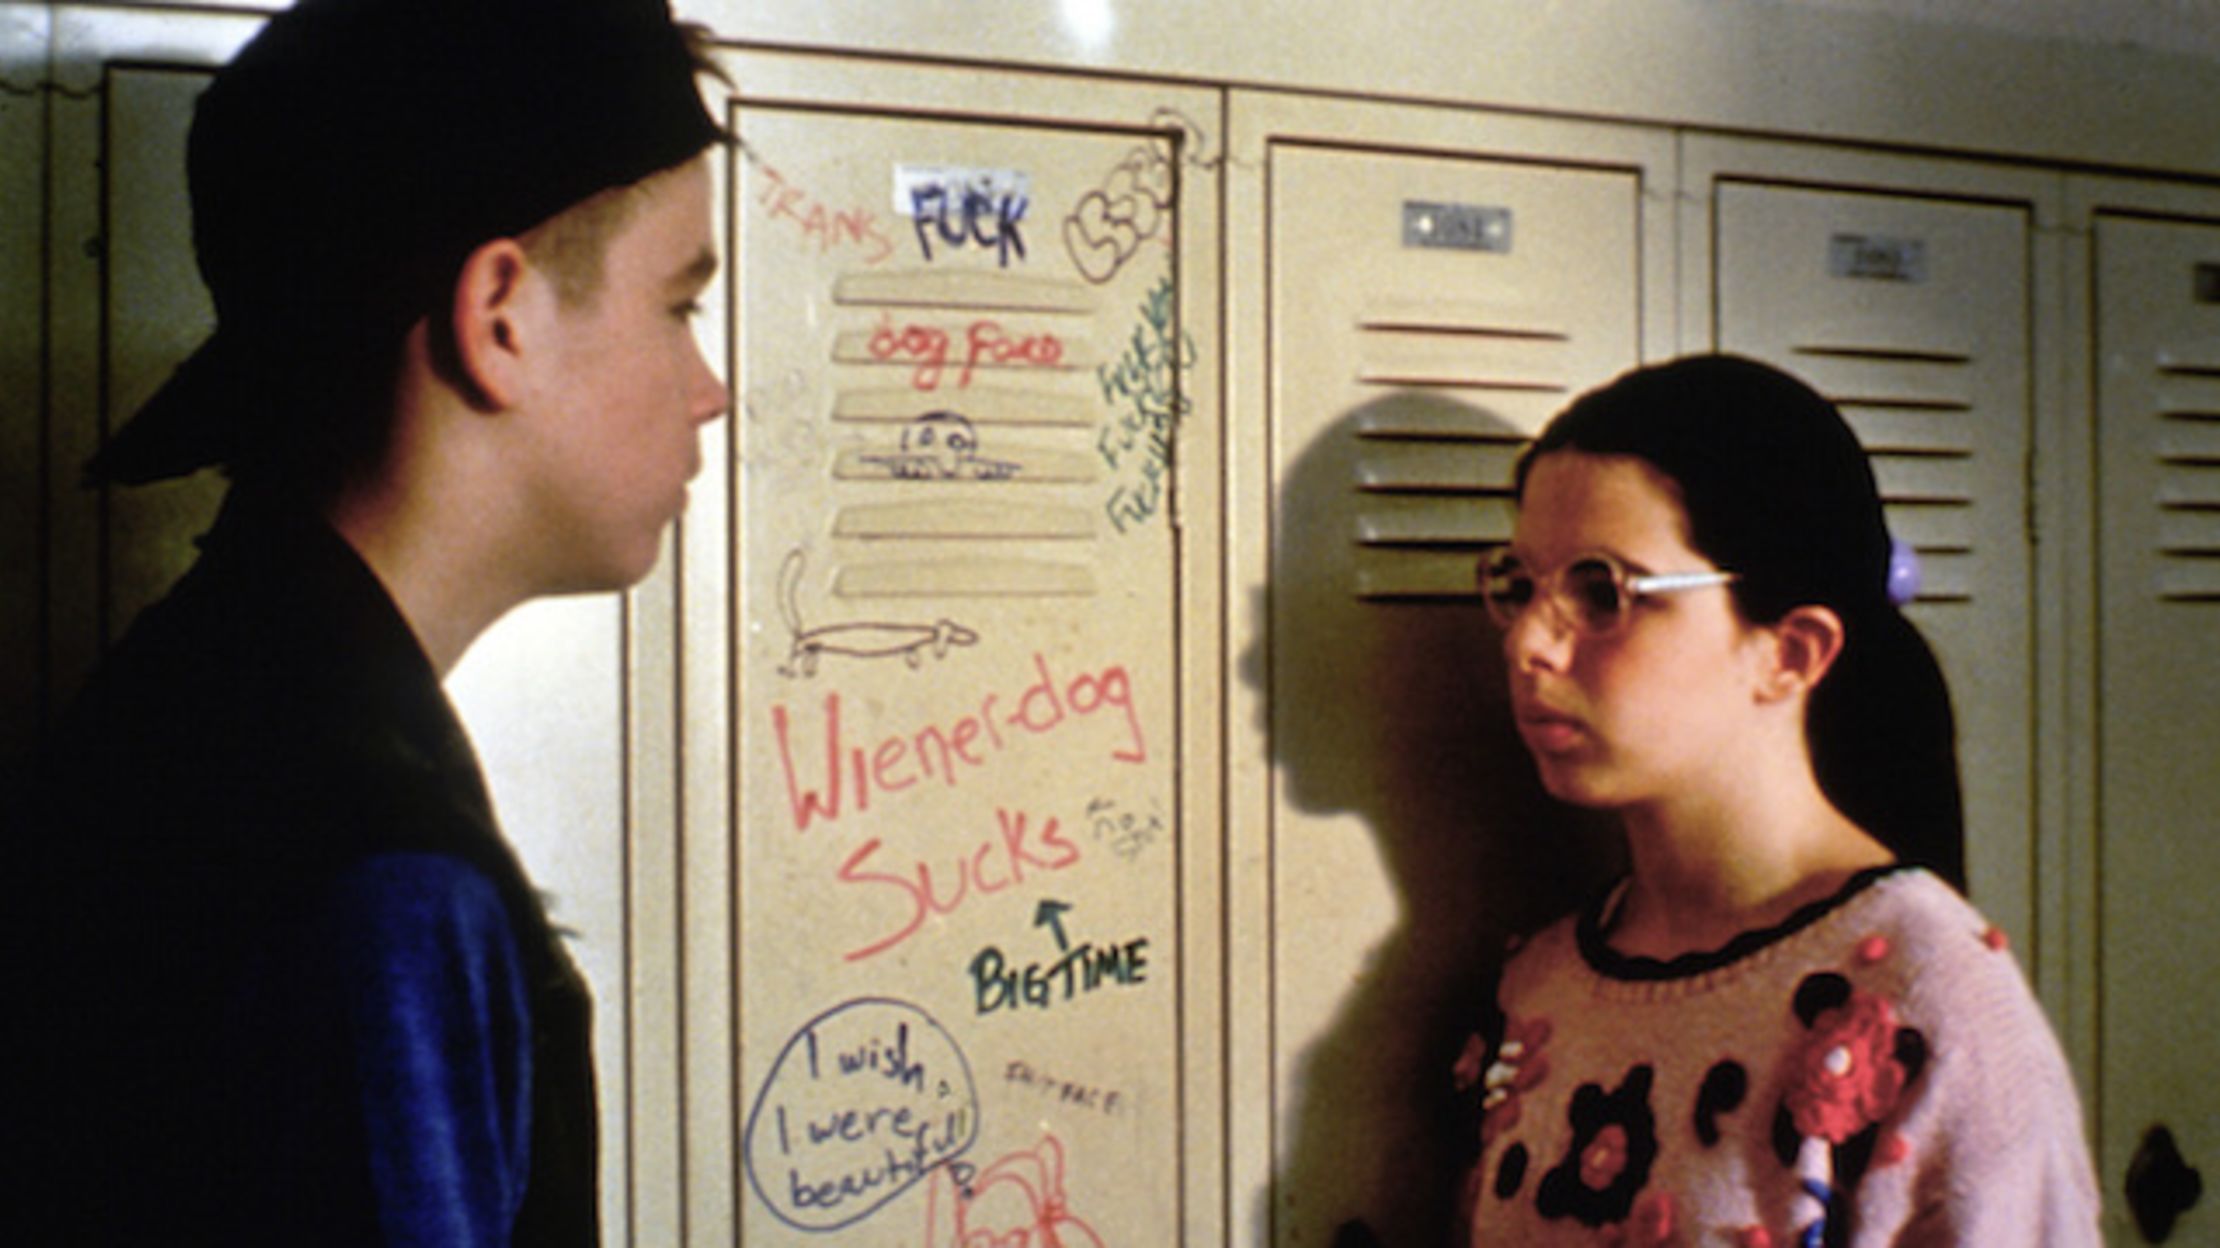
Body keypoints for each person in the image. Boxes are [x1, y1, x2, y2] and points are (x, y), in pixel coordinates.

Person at [16, 0, 729, 1242]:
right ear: (498, 316)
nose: (710, 390)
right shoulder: (374, 872)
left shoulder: (202, 707)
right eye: (679, 305)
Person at [1456, 356, 2099, 1245]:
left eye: (1603, 593)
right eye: (1523, 584)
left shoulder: (1935, 1002)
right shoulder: (1545, 983)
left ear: (1790, 653)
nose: (1531, 642)